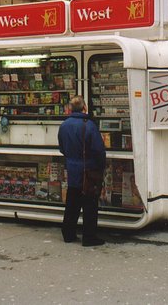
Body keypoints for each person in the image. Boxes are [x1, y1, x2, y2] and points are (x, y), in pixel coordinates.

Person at [58, 95, 106, 247]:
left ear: (70, 109)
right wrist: (100, 167)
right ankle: (89, 237)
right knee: (90, 204)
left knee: (72, 202)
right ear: (84, 108)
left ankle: (68, 234)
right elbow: (98, 150)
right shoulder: (89, 125)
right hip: (88, 170)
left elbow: (62, 148)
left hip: (72, 169)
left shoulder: (64, 125)